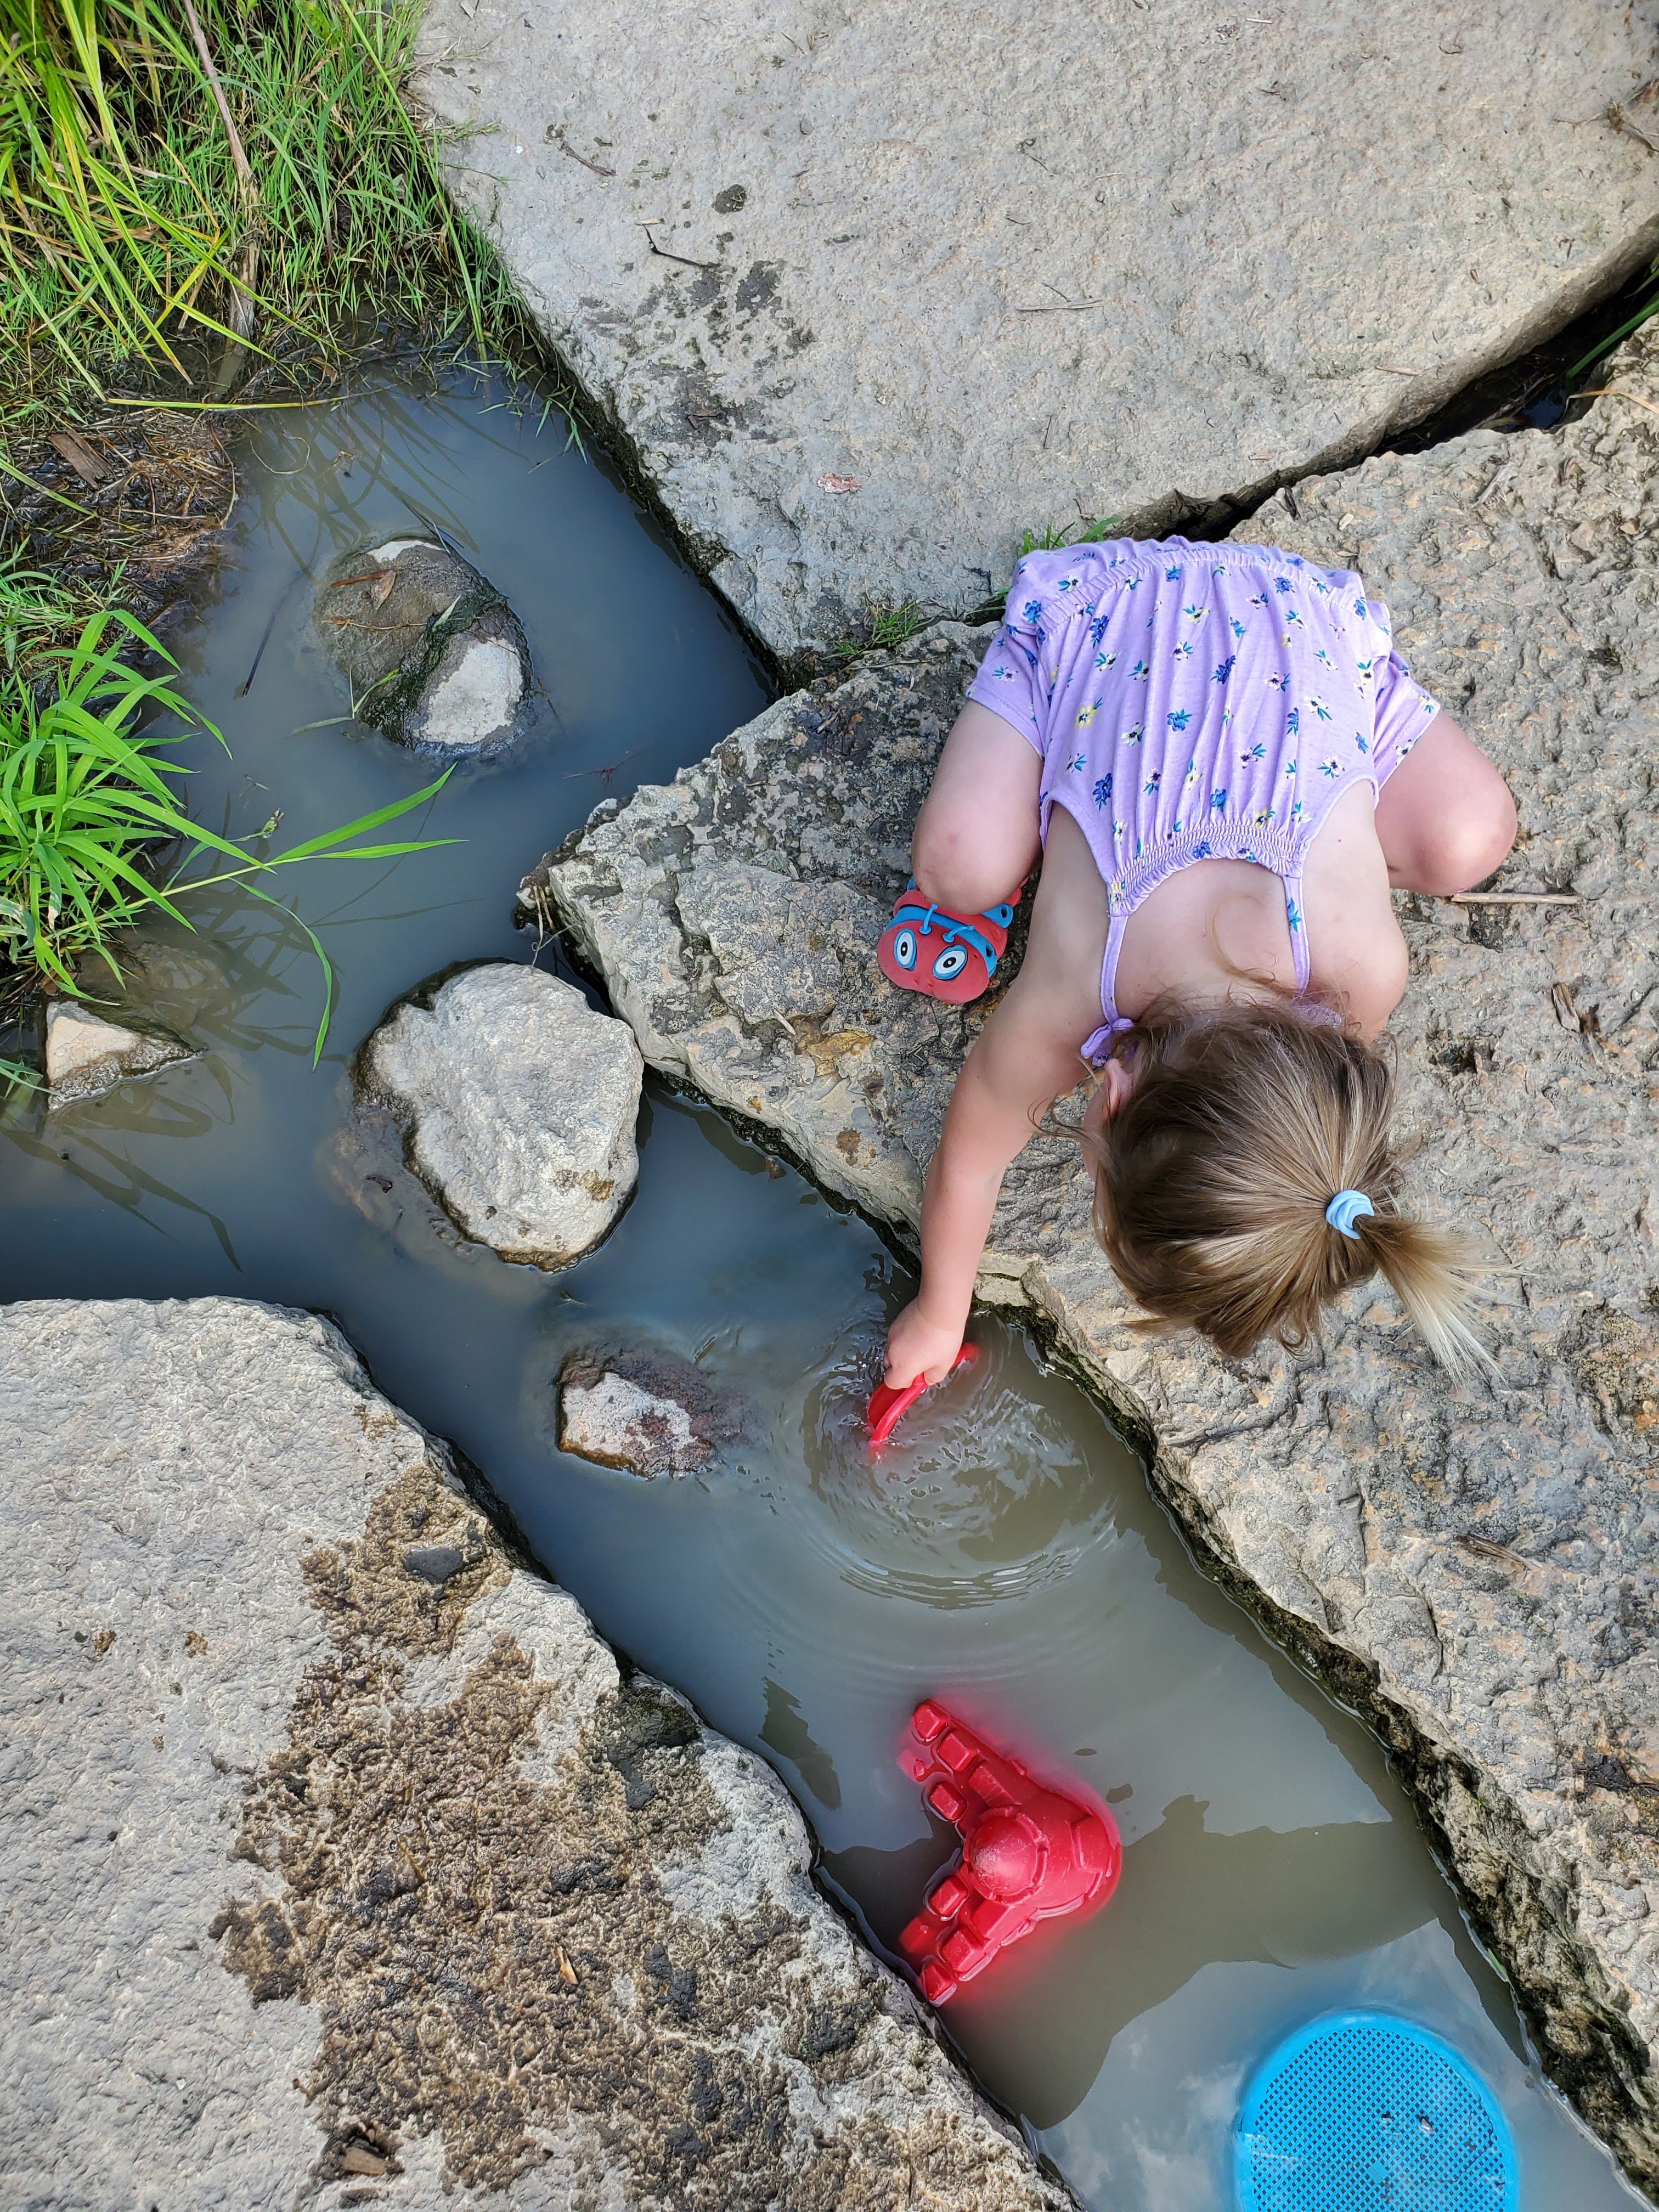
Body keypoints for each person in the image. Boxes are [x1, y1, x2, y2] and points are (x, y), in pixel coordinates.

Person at [877, 536, 1516, 1391]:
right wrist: (937, 1313)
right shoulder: (1073, 995)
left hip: (1296, 627)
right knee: (959, 870)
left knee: (1474, 836)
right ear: (1111, 1094)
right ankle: (1022, 836)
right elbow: (972, 1158)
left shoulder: (1364, 973)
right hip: (1110, 615)